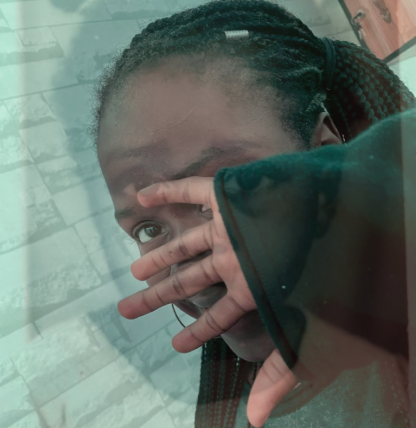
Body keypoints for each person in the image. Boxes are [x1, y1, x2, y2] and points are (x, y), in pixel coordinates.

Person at [91, 0, 415, 426]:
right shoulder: (235, 404)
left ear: (324, 153)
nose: (194, 271)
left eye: (226, 188)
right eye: (149, 228)